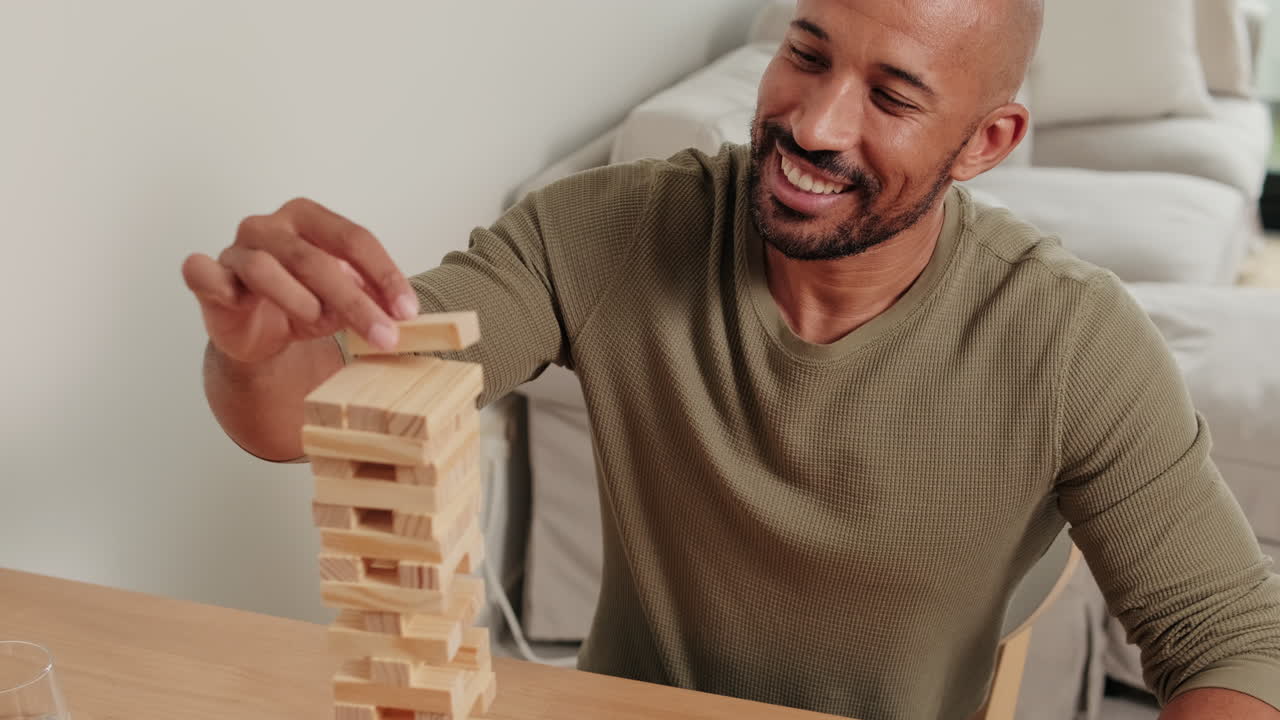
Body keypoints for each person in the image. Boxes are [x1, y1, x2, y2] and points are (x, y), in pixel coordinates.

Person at [182, 1, 1280, 718]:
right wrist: (260, 351)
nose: (812, 122)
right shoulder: (606, 232)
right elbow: (326, 414)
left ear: (985, 142)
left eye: (891, 96)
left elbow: (1230, 641)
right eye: (805, 53)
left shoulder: (1072, 341)